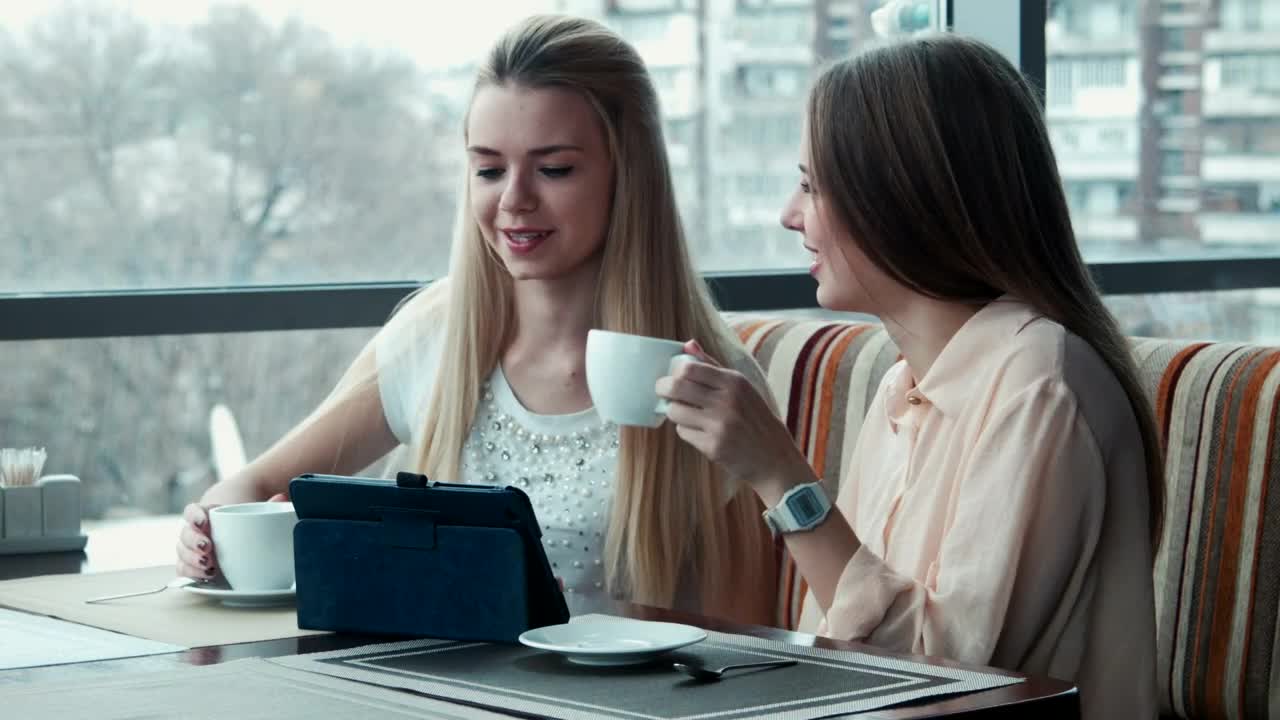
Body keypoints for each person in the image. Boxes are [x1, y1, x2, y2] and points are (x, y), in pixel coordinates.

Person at [176, 14, 777, 625]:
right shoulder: (434, 337)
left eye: (554, 168)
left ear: (630, 177)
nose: (513, 199)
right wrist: (207, 531)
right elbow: (247, 491)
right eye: (488, 169)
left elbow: (751, 653)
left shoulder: (711, 383)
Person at [657, 35, 1161, 718]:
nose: (789, 214)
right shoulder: (905, 385)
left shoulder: (1041, 385)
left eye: (811, 186)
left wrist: (781, 475)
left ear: (898, 194)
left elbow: (942, 682)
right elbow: (840, 649)